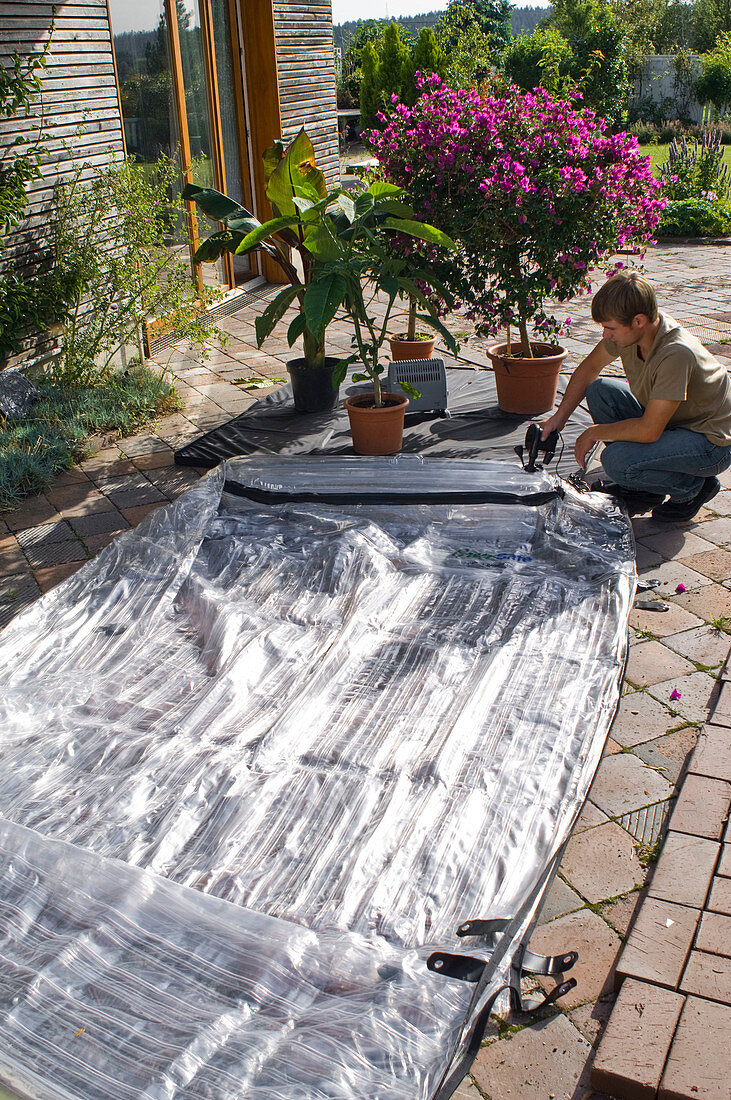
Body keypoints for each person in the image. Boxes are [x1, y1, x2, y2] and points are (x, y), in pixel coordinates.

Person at [540, 271, 731, 522]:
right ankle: (644, 486)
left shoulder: (675, 353)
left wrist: (593, 432)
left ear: (638, 320)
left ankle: (693, 489)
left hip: (710, 444)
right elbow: (588, 370)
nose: (605, 335)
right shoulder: (634, 333)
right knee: (600, 391)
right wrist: (559, 418)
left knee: (616, 461)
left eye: (610, 328)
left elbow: (649, 430)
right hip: (675, 424)